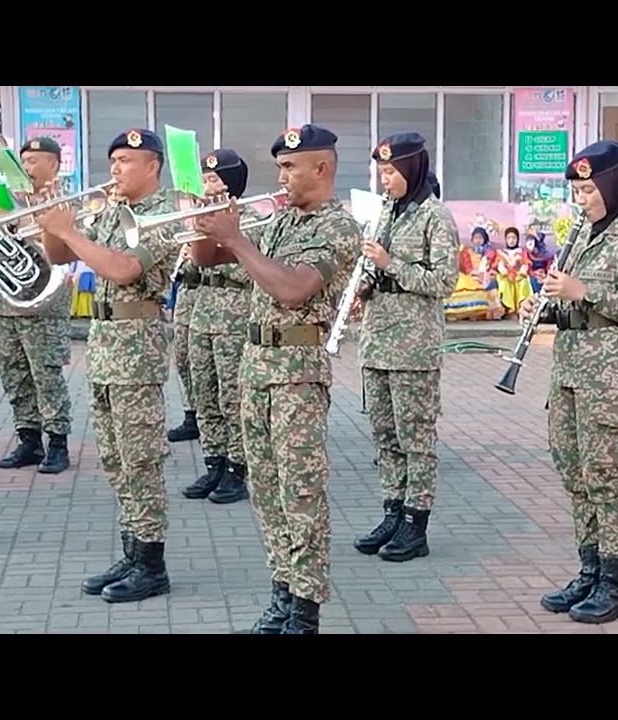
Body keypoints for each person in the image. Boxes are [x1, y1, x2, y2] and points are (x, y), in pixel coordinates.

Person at [188, 124, 362, 634]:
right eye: (279, 168)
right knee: (265, 491)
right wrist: (207, 221)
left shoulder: (338, 226)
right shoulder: (280, 222)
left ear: (322, 168)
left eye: (290, 167)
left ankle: (305, 607)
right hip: (256, 367)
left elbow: (293, 289)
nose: (281, 177)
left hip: (297, 377)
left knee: (300, 492)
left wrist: (237, 237)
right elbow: (208, 259)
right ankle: (282, 589)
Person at [518, 140, 618, 624]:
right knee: (575, 475)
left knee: (605, 479)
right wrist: (547, 307)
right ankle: (590, 568)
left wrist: (583, 290)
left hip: (612, 378)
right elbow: (573, 304)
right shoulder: (582, 233)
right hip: (571, 370)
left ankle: (617, 584)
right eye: (576, 190)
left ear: (613, 185)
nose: (580, 199)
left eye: (587, 189)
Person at [35, 128, 180, 604]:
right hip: (103, 348)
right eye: (112, 159)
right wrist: (51, 222)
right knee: (116, 460)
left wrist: (70, 229)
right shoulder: (111, 210)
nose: (114, 168)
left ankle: (152, 564)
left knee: (140, 460)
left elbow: (123, 270)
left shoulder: (167, 211)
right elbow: (59, 256)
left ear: (152, 165)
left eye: (125, 160)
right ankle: (133, 549)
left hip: (137, 351)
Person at [352, 132, 459, 562]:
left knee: (415, 437)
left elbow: (443, 282)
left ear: (412, 170)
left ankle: (417, 521)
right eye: (381, 171)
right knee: (385, 436)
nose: (385, 179)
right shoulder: (386, 213)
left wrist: (389, 264)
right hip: (377, 342)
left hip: (413, 348)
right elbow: (378, 269)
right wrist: (364, 281)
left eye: (392, 172)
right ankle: (393, 511)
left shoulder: (435, 216)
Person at [180, 149, 259, 505]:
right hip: (202, 316)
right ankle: (214, 461)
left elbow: (247, 269)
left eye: (214, 179)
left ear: (232, 184)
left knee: (232, 397)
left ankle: (237, 468)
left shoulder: (254, 218)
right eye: (205, 179)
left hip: (234, 317)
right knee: (204, 393)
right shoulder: (200, 220)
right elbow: (190, 272)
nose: (207, 185)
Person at [0, 136, 73, 475]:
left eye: (34, 160)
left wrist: (23, 223)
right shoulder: (9, 199)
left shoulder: (64, 200)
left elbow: (66, 243)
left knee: (46, 374)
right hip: (7, 299)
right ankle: (28, 439)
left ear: (54, 164)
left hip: (44, 300)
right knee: (14, 374)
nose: (27, 167)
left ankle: (57, 442)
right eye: (23, 161)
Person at [167, 251, 201, 444]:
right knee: (182, 360)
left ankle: (206, 418)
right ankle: (191, 414)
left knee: (201, 366)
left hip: (206, 300)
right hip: (185, 299)